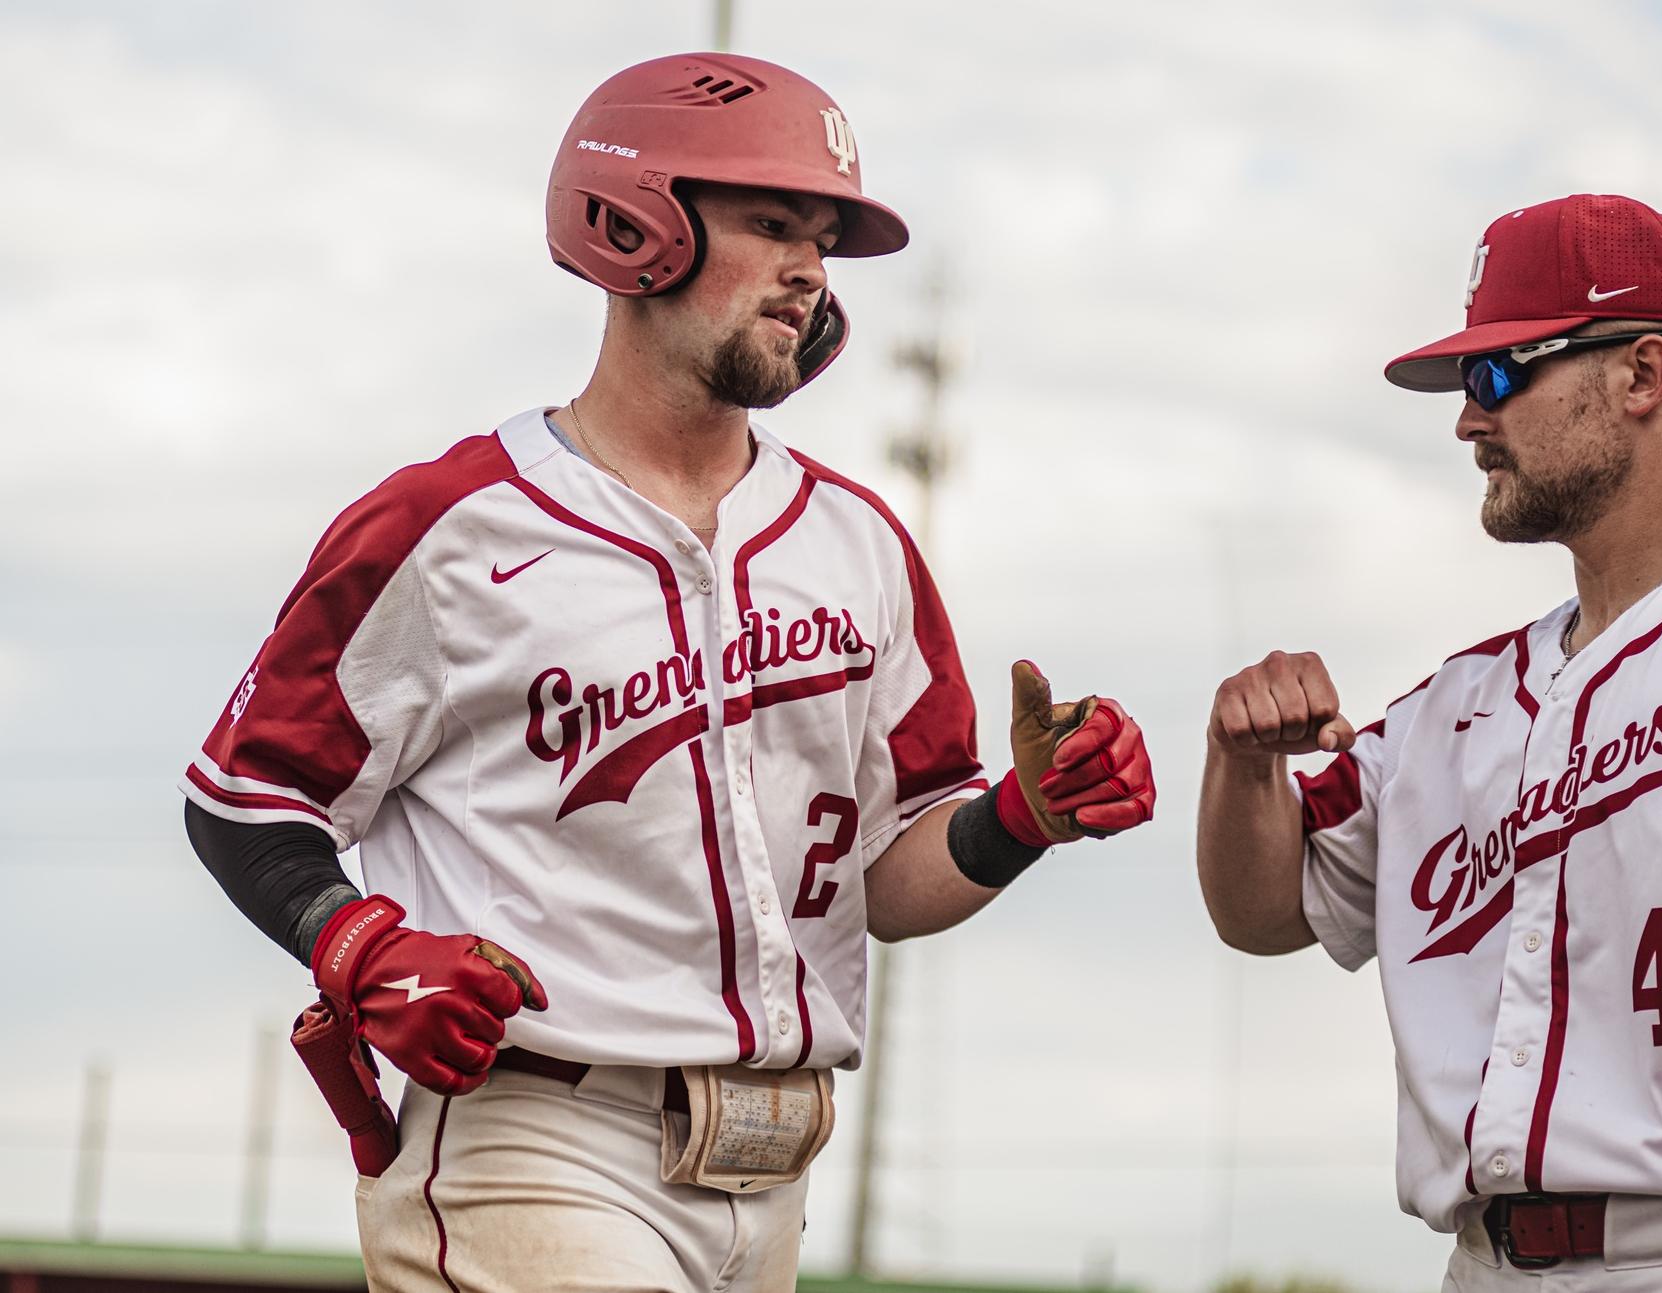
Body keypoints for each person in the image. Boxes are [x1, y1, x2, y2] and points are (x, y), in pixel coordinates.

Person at [181, 52, 1155, 1292]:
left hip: (774, 1167)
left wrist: (1023, 818)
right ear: (631, 222)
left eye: (823, 239)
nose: (809, 268)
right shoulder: (452, 525)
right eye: (771, 222)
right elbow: (247, 798)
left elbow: (884, 886)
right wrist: (360, 946)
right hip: (535, 1131)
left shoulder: (859, 545)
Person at [1196, 193, 1662, 1291]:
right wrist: (1244, 764)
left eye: (1496, 376)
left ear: (1640, 376)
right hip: (1482, 1262)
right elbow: (1264, 911)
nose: (1467, 422)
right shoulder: (1456, 701)